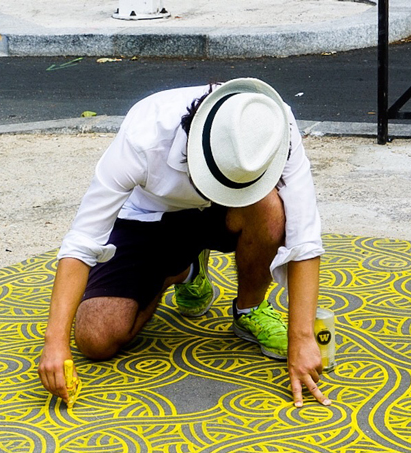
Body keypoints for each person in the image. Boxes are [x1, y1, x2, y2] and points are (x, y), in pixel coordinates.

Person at [37, 77, 331, 408]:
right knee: (95, 338)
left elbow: (305, 235)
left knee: (272, 207)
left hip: (231, 213)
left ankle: (249, 309)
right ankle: (183, 269)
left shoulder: (270, 122)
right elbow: (82, 240)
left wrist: (302, 337)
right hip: (148, 219)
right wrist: (55, 340)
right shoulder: (143, 137)